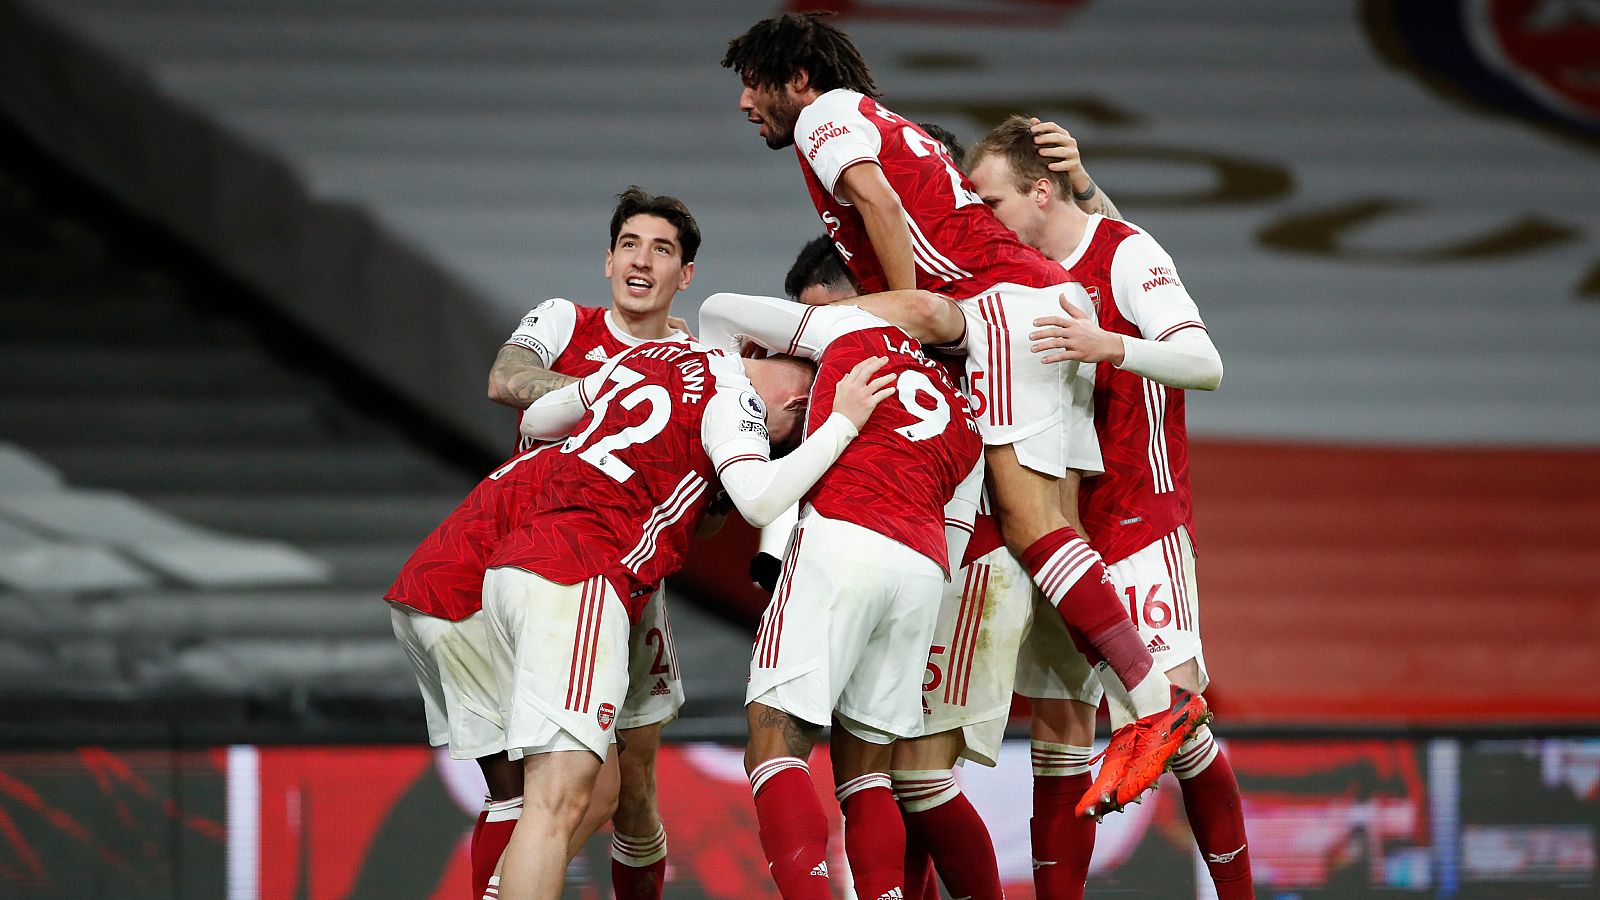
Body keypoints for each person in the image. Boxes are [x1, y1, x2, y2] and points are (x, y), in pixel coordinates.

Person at [722, 11, 1206, 819]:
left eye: (753, 82)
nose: (744, 103)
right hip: (1030, 300)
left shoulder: (825, 117)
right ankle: (1154, 697)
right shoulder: (878, 119)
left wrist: (907, 312)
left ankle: (1156, 699)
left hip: (1001, 307)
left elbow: (876, 205)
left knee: (1027, 521)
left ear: (798, 80)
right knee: (1052, 521)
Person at [476, 336, 892, 900]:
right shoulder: (737, 396)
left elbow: (543, 415)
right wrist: (840, 423)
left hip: (512, 567)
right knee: (555, 804)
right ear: (796, 406)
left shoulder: (649, 355)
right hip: (581, 575)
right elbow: (760, 501)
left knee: (586, 794)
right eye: (786, 438)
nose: (772, 446)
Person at [967, 117, 1250, 897]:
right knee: (1060, 745)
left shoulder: (1128, 252)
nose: (978, 217)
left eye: (989, 202)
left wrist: (1111, 347)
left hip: (1138, 523)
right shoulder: (1010, 274)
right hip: (1057, 534)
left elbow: (1206, 363)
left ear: (1040, 190)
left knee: (1179, 729)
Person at [395, 186, 693, 900]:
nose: (642, 261)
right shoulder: (566, 320)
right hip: (538, 574)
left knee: (630, 783)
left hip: (617, 575)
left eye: (663, 249)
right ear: (607, 262)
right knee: (566, 793)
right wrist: (617, 387)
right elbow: (505, 378)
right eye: (629, 245)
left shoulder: (698, 361)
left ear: (686, 276)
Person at [699, 289, 984, 900]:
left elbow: (718, 308)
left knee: (776, 743)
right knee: (869, 774)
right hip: (921, 572)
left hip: (844, 536)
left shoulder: (848, 328)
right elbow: (956, 534)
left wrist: (731, 388)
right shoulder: (966, 415)